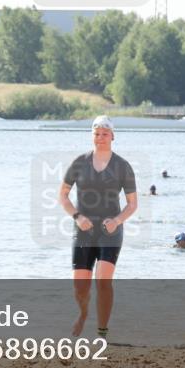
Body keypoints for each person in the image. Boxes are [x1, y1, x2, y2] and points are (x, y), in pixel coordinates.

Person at [59, 115, 138, 339]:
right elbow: (63, 196)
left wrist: (116, 221)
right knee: (80, 286)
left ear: (112, 136)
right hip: (83, 230)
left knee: (103, 281)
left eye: (104, 134)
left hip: (109, 231)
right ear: (92, 136)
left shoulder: (122, 166)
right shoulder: (79, 162)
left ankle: (102, 333)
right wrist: (77, 216)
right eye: (96, 134)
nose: (100, 137)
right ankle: (83, 314)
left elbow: (132, 204)